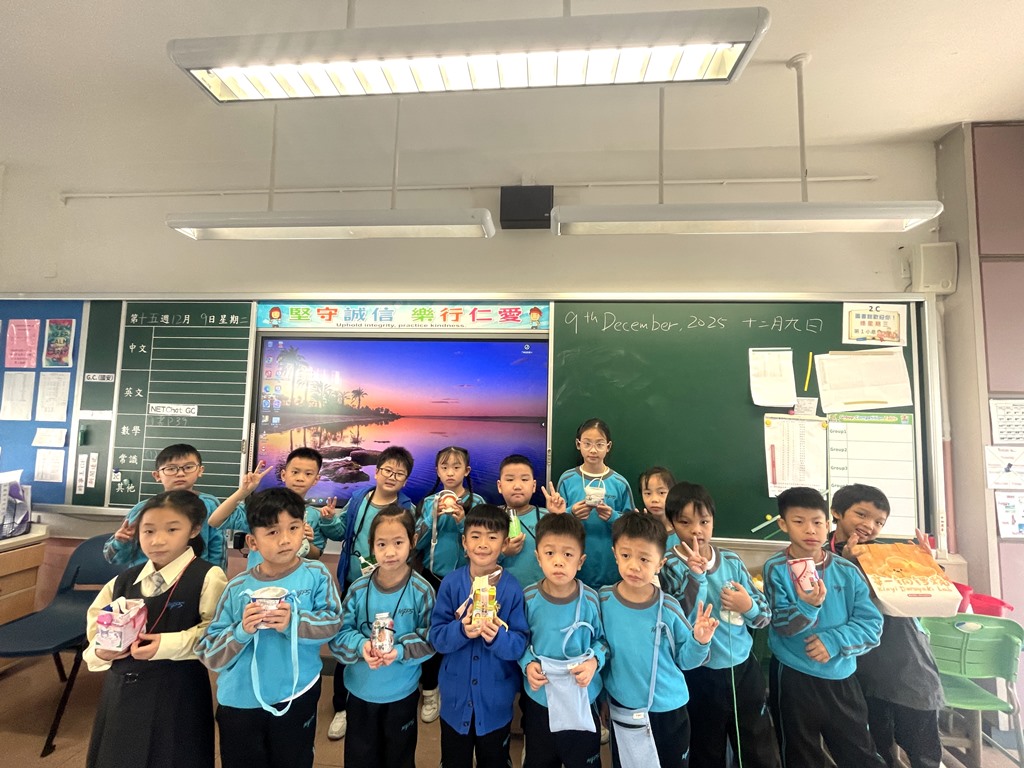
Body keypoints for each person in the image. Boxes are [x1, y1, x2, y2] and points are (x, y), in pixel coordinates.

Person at [195, 488, 342, 768]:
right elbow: (209, 653)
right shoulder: (238, 587)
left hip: (296, 692)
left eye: (293, 528)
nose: (285, 539)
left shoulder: (316, 575)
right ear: (252, 541)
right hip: (240, 700)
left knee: (294, 759)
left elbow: (333, 624)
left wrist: (293, 622)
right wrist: (241, 631)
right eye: (272, 532)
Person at [85, 490, 228, 768]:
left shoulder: (208, 576)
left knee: (173, 756)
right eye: (148, 531)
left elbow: (216, 633)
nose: (157, 540)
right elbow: (94, 633)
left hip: (178, 694)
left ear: (194, 530)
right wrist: (101, 653)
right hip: (121, 694)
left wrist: (165, 645)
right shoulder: (123, 581)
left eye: (172, 530)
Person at [659, 482, 780, 768]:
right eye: (685, 522)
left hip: (743, 671)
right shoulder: (667, 566)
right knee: (705, 747)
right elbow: (676, 621)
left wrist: (747, 606)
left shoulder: (731, 561)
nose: (696, 531)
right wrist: (696, 578)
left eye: (704, 522)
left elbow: (764, 616)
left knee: (757, 745)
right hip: (699, 674)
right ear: (672, 524)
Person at [763, 486, 886, 768]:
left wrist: (834, 641)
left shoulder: (847, 571)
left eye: (817, 522)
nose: (810, 530)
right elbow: (781, 624)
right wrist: (807, 607)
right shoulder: (776, 568)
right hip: (794, 675)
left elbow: (871, 625)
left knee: (859, 752)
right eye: (798, 521)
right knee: (800, 753)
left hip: (841, 675)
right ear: (783, 524)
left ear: (828, 523)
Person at [829, 484, 944, 768]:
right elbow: (827, 605)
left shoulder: (890, 554)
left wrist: (926, 564)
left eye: (879, 522)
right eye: (861, 514)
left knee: (922, 747)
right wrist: (846, 565)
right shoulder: (819, 556)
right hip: (860, 667)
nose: (869, 525)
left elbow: (933, 594)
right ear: (836, 512)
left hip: (905, 658)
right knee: (875, 749)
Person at [600, 511, 718, 768]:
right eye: (626, 555)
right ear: (615, 554)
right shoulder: (603, 601)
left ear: (660, 564)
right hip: (623, 707)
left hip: (667, 710)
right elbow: (601, 651)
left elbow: (686, 661)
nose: (634, 566)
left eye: (644, 559)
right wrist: (603, 700)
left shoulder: (669, 608)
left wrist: (700, 640)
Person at [319, 445, 420, 740]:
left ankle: (389, 693)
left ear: (405, 480)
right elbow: (341, 532)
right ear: (377, 472)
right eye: (387, 470)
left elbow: (412, 548)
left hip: (391, 589)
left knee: (389, 638)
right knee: (350, 639)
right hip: (355, 584)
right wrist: (327, 520)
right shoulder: (359, 499)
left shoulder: (407, 509)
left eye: (399, 474)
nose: (392, 476)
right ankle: (342, 707)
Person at [331, 505, 436, 768]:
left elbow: (431, 639)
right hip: (360, 692)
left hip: (402, 693)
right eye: (381, 544)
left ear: (413, 541)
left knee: (399, 758)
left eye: (398, 542)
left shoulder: (422, 590)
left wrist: (399, 651)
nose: (390, 552)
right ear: (372, 546)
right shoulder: (358, 589)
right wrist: (361, 646)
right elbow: (338, 636)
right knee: (360, 758)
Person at [429, 504, 530, 768]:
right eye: (475, 536)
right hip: (455, 700)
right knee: (454, 760)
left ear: (505, 543)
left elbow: (519, 644)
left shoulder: (512, 588)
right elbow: (437, 637)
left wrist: (497, 637)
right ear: (464, 542)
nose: (483, 544)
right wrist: (461, 630)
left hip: (496, 701)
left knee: (495, 760)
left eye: (492, 537)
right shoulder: (451, 584)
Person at [520, 513, 607, 768]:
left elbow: (602, 641)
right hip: (541, 698)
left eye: (568, 554)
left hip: (582, 697)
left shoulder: (590, 599)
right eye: (549, 553)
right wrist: (527, 663)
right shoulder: (528, 598)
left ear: (581, 561)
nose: (558, 561)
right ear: (538, 557)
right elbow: (519, 641)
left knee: (583, 760)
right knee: (540, 759)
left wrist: (594, 662)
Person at [414, 446, 485, 723]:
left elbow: (481, 543)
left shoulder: (476, 502)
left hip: (467, 580)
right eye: (445, 467)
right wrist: (431, 518)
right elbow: (416, 545)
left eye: (456, 467)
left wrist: (463, 522)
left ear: (466, 471)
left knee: (466, 633)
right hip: (433, 577)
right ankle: (430, 690)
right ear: (437, 471)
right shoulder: (428, 502)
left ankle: (461, 689)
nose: (450, 473)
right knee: (434, 633)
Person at [103, 443, 226, 570]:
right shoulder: (143, 509)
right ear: (157, 475)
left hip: (194, 575)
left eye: (188, 467)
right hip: (147, 576)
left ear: (200, 470)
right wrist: (121, 543)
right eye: (171, 469)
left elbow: (217, 548)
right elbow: (112, 557)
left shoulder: (210, 505)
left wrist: (216, 577)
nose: (180, 473)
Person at [208, 447, 327, 566]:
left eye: (308, 474)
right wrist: (243, 492)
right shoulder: (262, 507)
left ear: (316, 479)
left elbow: (316, 555)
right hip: (260, 575)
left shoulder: (315, 515)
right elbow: (215, 521)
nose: (300, 478)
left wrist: (306, 542)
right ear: (283, 475)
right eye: (295, 472)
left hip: (297, 576)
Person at [556, 418, 635, 588]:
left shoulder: (620, 483)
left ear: (608, 446)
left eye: (599, 444)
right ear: (578, 444)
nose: (593, 450)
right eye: (587, 443)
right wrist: (571, 513)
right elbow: (555, 524)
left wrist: (613, 517)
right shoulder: (567, 479)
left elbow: (633, 528)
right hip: (573, 567)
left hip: (611, 567)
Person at [498, 454, 567, 589]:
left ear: (534, 486)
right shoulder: (491, 519)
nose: (517, 486)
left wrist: (559, 517)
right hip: (502, 593)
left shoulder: (547, 517)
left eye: (524, 479)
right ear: (499, 486)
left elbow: (566, 551)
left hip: (541, 593)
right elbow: (478, 559)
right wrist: (503, 552)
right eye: (510, 479)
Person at [638, 466, 678, 550]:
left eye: (661, 493)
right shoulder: (640, 529)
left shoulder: (681, 531)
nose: (654, 499)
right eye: (648, 493)